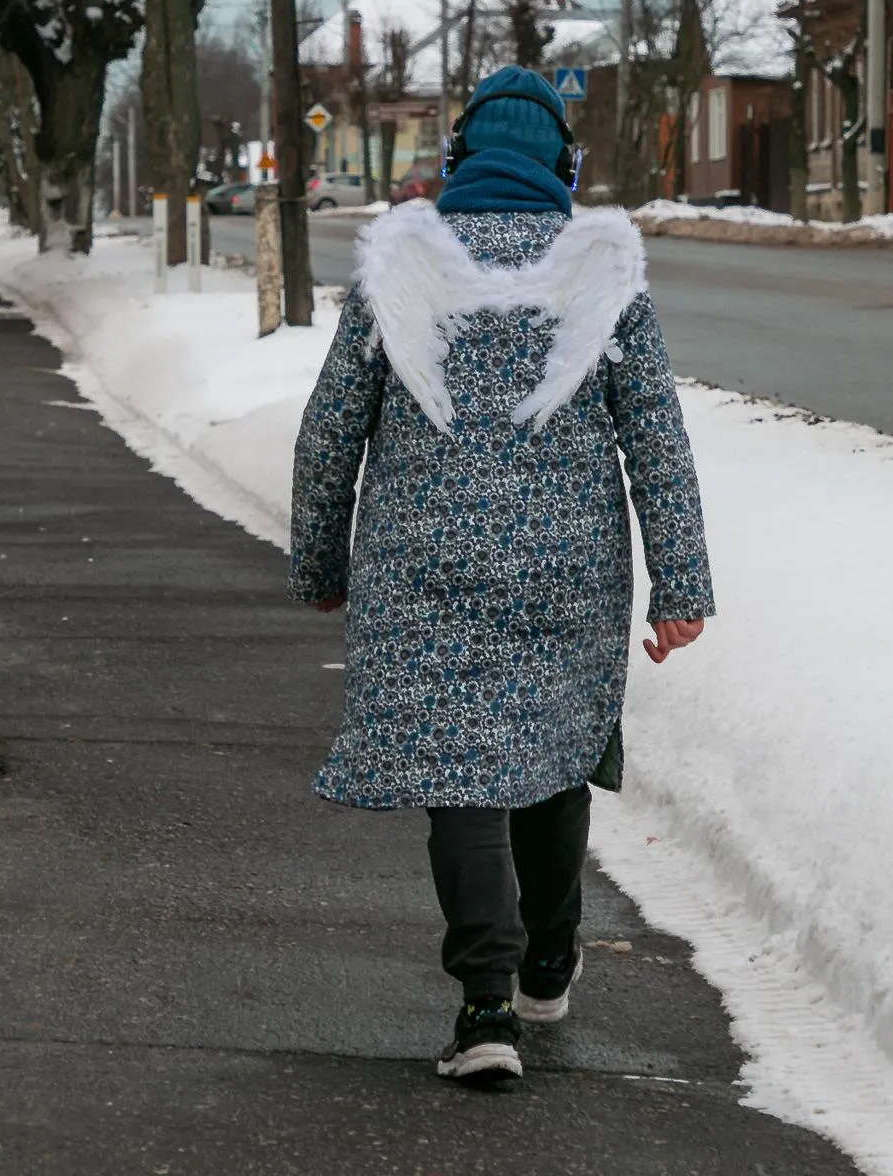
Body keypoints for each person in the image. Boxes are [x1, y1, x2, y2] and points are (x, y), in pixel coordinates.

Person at [287, 67, 716, 1085]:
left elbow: (328, 430)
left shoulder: (400, 271)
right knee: (554, 756)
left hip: (423, 562)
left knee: (460, 777)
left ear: (460, 161)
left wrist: (320, 564)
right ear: (561, 166)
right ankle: (550, 958)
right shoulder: (603, 276)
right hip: (566, 568)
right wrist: (683, 587)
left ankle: (486, 1005)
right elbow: (658, 437)